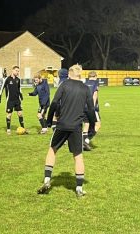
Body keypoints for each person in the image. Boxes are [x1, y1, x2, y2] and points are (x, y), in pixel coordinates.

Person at [38, 64, 97, 198]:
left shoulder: (64, 85)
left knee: (52, 150)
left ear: (69, 74)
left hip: (62, 125)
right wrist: (92, 125)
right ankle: (79, 188)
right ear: (79, 74)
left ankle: (47, 180)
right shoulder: (85, 88)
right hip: (76, 127)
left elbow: (54, 103)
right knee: (78, 156)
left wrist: (48, 121)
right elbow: (90, 109)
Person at [0, 65, 25, 134]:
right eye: (16, 71)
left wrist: (21, 94)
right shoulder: (7, 79)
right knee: (9, 115)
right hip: (10, 100)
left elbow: (19, 88)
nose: (17, 72)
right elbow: (2, 87)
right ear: (12, 70)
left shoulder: (18, 79)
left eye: (18, 71)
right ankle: (8, 129)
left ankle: (23, 129)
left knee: (20, 114)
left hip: (17, 100)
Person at [82, 71, 102, 151]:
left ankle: (82, 142)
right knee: (97, 125)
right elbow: (94, 95)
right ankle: (86, 141)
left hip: (83, 107)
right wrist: (92, 108)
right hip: (92, 108)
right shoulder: (95, 84)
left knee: (86, 125)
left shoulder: (84, 83)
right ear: (95, 76)